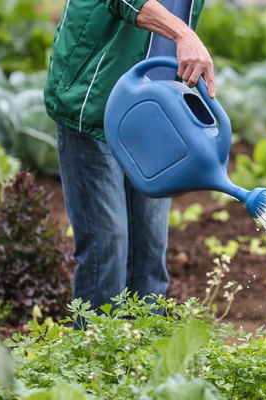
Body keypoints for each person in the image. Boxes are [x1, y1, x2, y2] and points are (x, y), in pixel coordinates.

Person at [44, 0, 215, 311]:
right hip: (95, 102)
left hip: (156, 113)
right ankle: (97, 353)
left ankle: (147, 354)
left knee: (150, 251)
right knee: (107, 244)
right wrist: (182, 34)